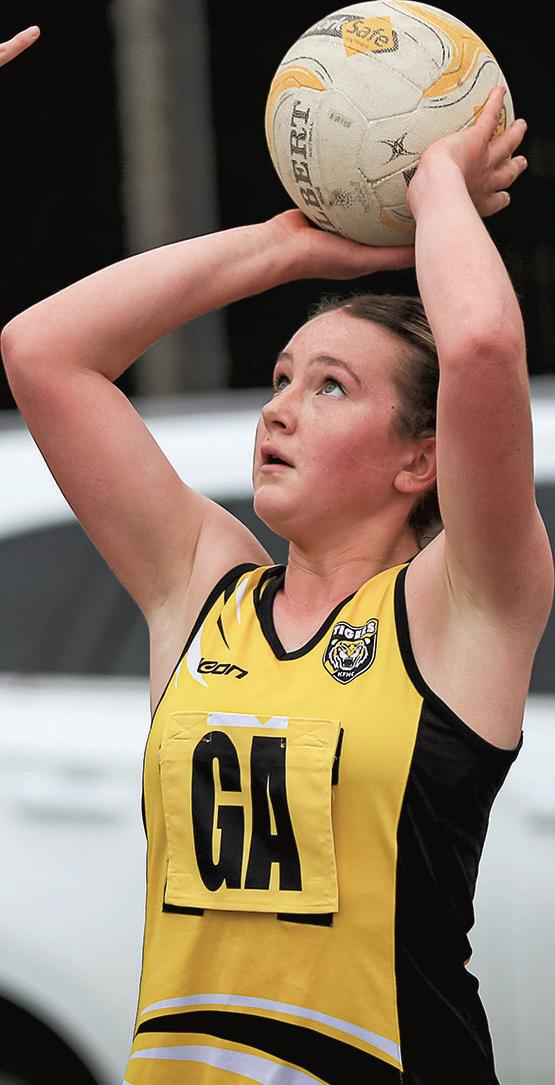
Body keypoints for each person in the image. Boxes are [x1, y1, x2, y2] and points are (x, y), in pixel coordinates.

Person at [2, 84, 553, 1084]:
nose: (280, 410)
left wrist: (435, 184)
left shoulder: (459, 605)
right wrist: (282, 247)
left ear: (421, 459)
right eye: (282, 378)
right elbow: (43, 351)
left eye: (330, 385)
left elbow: (479, 347)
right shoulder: (205, 590)